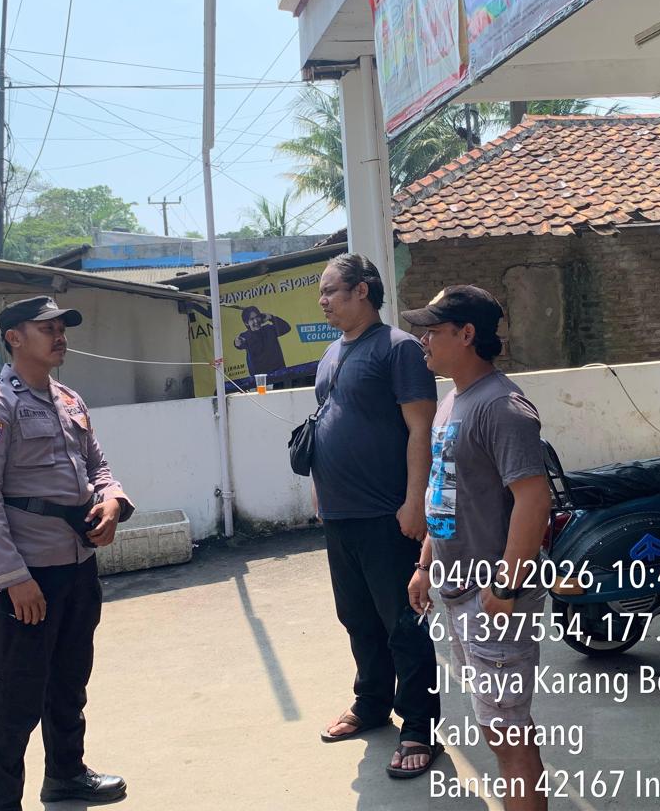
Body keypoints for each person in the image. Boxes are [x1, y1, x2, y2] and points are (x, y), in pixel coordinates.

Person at [0, 296, 133, 811]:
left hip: (77, 567)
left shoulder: (69, 400)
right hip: (28, 577)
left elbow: (99, 467)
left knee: (69, 683)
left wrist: (112, 501)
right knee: (17, 699)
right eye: (47, 328)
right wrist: (13, 577)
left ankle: (66, 775)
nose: (60, 336)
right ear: (14, 337)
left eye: (62, 328)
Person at [404, 286, 553, 811]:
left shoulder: (502, 407)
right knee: (495, 728)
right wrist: (426, 564)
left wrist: (506, 586)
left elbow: (534, 499)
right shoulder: (452, 401)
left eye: (432, 331)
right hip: (459, 590)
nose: (423, 341)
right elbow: (445, 492)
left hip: (492, 598)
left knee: (509, 736)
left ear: (467, 334)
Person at [311, 253, 442, 778]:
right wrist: (321, 491)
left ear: (362, 290)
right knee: (357, 617)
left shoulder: (398, 348)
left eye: (330, 291)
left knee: (403, 623)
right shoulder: (331, 352)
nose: (322, 301)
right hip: (339, 512)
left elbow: (420, 429)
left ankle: (419, 727)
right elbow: (329, 421)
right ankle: (371, 702)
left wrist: (415, 500)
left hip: (387, 512)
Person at [232, 306, 292, 379]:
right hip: (261, 378)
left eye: (257, 317)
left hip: (279, 373)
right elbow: (239, 344)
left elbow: (286, 327)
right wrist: (237, 342)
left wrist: (271, 317)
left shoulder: (269, 329)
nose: (256, 321)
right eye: (252, 319)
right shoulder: (246, 336)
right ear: (246, 323)